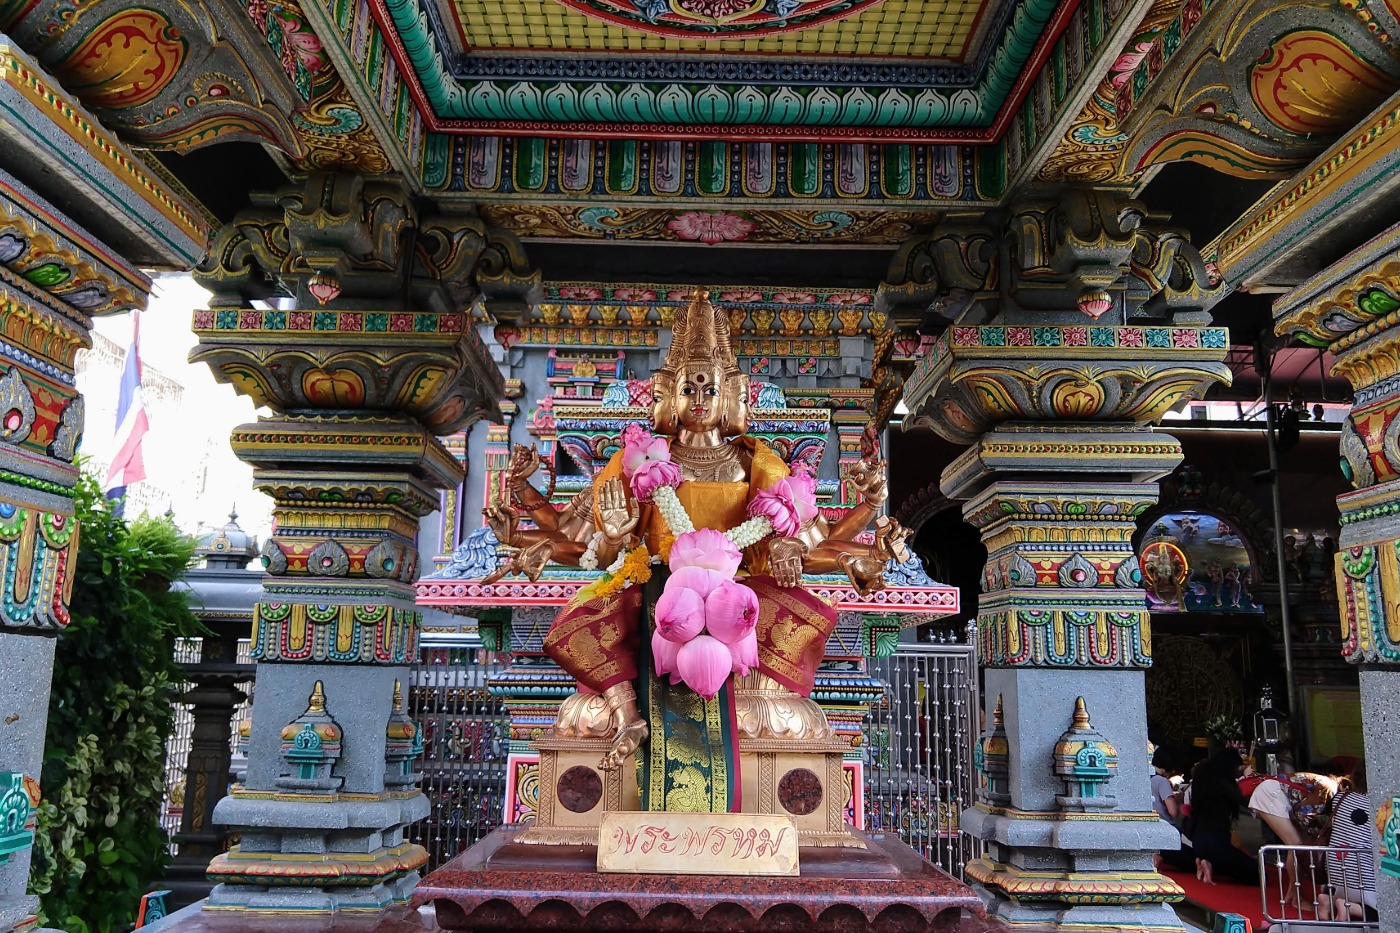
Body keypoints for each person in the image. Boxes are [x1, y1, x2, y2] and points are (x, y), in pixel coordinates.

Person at [486, 290, 912, 811]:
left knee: (782, 712)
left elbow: (812, 537)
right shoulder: (638, 459)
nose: (702, 397)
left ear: (733, 392)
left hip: (738, 607)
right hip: (656, 601)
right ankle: (628, 714)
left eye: (712, 386)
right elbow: (579, 538)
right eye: (689, 386)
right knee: (587, 695)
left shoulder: (757, 460)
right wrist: (576, 525)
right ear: (668, 393)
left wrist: (853, 523)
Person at [1185, 748, 1258, 884]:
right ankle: (1211, 863)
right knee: (1254, 872)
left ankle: (1206, 862)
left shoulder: (1201, 777)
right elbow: (1243, 801)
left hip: (1198, 835)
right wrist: (1246, 778)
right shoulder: (1222, 782)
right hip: (1216, 838)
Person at [1317, 762, 1377, 922]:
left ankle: (1328, 901)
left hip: (1336, 871)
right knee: (1386, 911)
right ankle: (1349, 907)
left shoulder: (1341, 798)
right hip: (1364, 875)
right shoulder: (1379, 805)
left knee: (1342, 884)